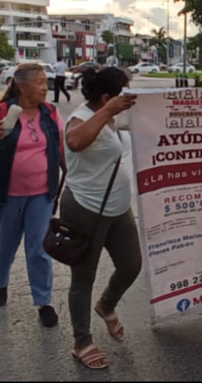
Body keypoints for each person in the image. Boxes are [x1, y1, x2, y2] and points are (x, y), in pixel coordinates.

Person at [0, 63, 64, 326]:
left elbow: (62, 147)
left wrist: (70, 178)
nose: (46, 87)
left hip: (42, 193)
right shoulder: (1, 113)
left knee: (38, 248)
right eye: (40, 82)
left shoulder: (50, 113)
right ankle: (1, 283)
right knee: (7, 243)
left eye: (46, 81)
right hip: (8, 193)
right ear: (22, 86)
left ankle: (43, 300)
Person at [62, 67, 140, 370]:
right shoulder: (81, 117)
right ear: (107, 97)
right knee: (83, 278)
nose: (130, 95)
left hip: (119, 207)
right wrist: (107, 110)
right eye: (125, 91)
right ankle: (82, 342)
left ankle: (106, 304)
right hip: (85, 208)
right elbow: (75, 142)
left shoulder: (115, 117)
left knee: (131, 264)